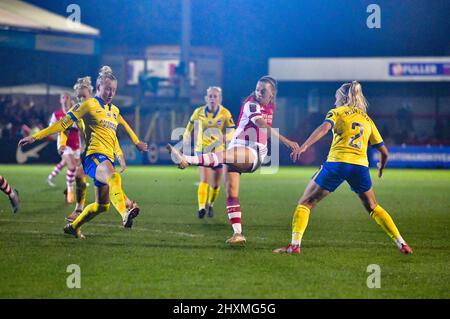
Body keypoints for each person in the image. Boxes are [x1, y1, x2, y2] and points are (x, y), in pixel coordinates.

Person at [273, 81, 413, 255]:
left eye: (337, 97)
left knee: (305, 203)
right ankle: (402, 243)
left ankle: (294, 246)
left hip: (337, 163)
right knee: (373, 206)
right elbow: (384, 152)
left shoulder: (337, 112)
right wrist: (381, 167)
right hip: (360, 168)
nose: (335, 101)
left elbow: (324, 128)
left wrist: (304, 146)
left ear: (343, 97)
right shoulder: (366, 119)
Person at [19, 66, 147, 239]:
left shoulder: (114, 110)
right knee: (114, 177)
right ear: (99, 87)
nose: (110, 93)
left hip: (106, 159)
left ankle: (74, 226)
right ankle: (125, 211)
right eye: (107, 89)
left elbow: (116, 132)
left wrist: (132, 146)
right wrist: (36, 137)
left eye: (114, 90)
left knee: (102, 206)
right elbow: (62, 124)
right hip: (93, 157)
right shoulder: (88, 105)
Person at [168, 76, 300, 244]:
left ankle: (187, 159)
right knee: (231, 192)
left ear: (272, 94)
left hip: (253, 151)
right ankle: (238, 233)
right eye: (257, 89)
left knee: (224, 156)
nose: (258, 92)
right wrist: (287, 141)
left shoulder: (270, 107)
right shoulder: (251, 104)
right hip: (237, 148)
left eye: (263, 91)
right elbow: (260, 124)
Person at [64, 76, 146, 223]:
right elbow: (64, 126)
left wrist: (122, 152)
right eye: (78, 97)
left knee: (100, 183)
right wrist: (61, 143)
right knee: (101, 196)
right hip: (87, 152)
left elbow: (113, 133)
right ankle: (125, 204)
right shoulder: (80, 108)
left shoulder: (99, 108)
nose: (81, 100)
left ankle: (79, 209)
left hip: (97, 153)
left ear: (91, 93)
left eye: (84, 96)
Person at [182, 86, 235, 218]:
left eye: (215, 96)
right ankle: (201, 208)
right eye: (210, 96)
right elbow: (188, 128)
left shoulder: (225, 114)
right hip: (201, 150)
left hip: (218, 153)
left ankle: (210, 204)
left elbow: (232, 131)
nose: (212, 99)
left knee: (216, 184)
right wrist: (186, 137)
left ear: (220, 98)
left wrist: (224, 137)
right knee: (204, 179)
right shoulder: (198, 112)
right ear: (206, 98)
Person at [46, 92, 81, 203]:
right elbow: (51, 129)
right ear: (60, 100)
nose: (65, 99)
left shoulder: (75, 113)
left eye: (67, 97)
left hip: (76, 143)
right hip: (63, 144)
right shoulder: (56, 114)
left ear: (71, 100)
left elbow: (80, 127)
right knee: (71, 166)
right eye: (63, 97)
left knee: (75, 167)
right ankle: (70, 190)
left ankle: (67, 185)